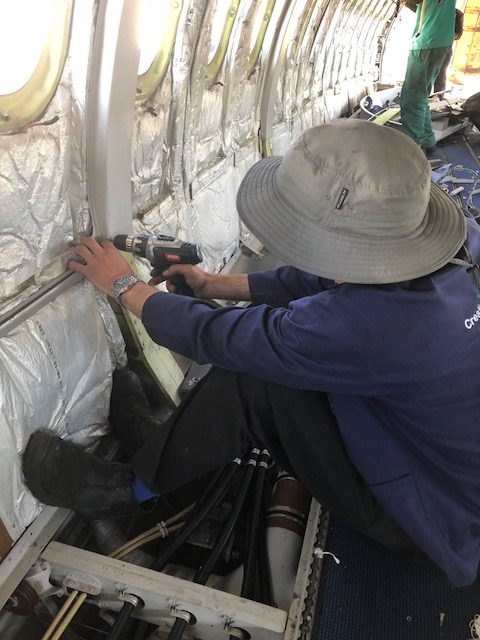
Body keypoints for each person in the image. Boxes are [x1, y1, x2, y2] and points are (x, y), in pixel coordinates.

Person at [22, 119, 480, 588]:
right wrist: (211, 284)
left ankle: (123, 491)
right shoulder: (454, 246)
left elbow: (228, 338)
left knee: (254, 380)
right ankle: (164, 451)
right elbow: (325, 277)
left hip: (425, 517)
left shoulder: (381, 327)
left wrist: (124, 285)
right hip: (434, 465)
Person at [400, 0, 456, 152]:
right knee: (421, 95)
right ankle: (428, 141)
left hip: (426, 40)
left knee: (411, 98)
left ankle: (413, 148)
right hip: (442, 41)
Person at [433, 8, 464, 94]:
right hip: (428, 46)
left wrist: (448, 35)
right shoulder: (434, 9)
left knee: (441, 74)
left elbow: (458, 34)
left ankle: (439, 97)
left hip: (445, 49)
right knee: (423, 74)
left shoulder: (458, 14)